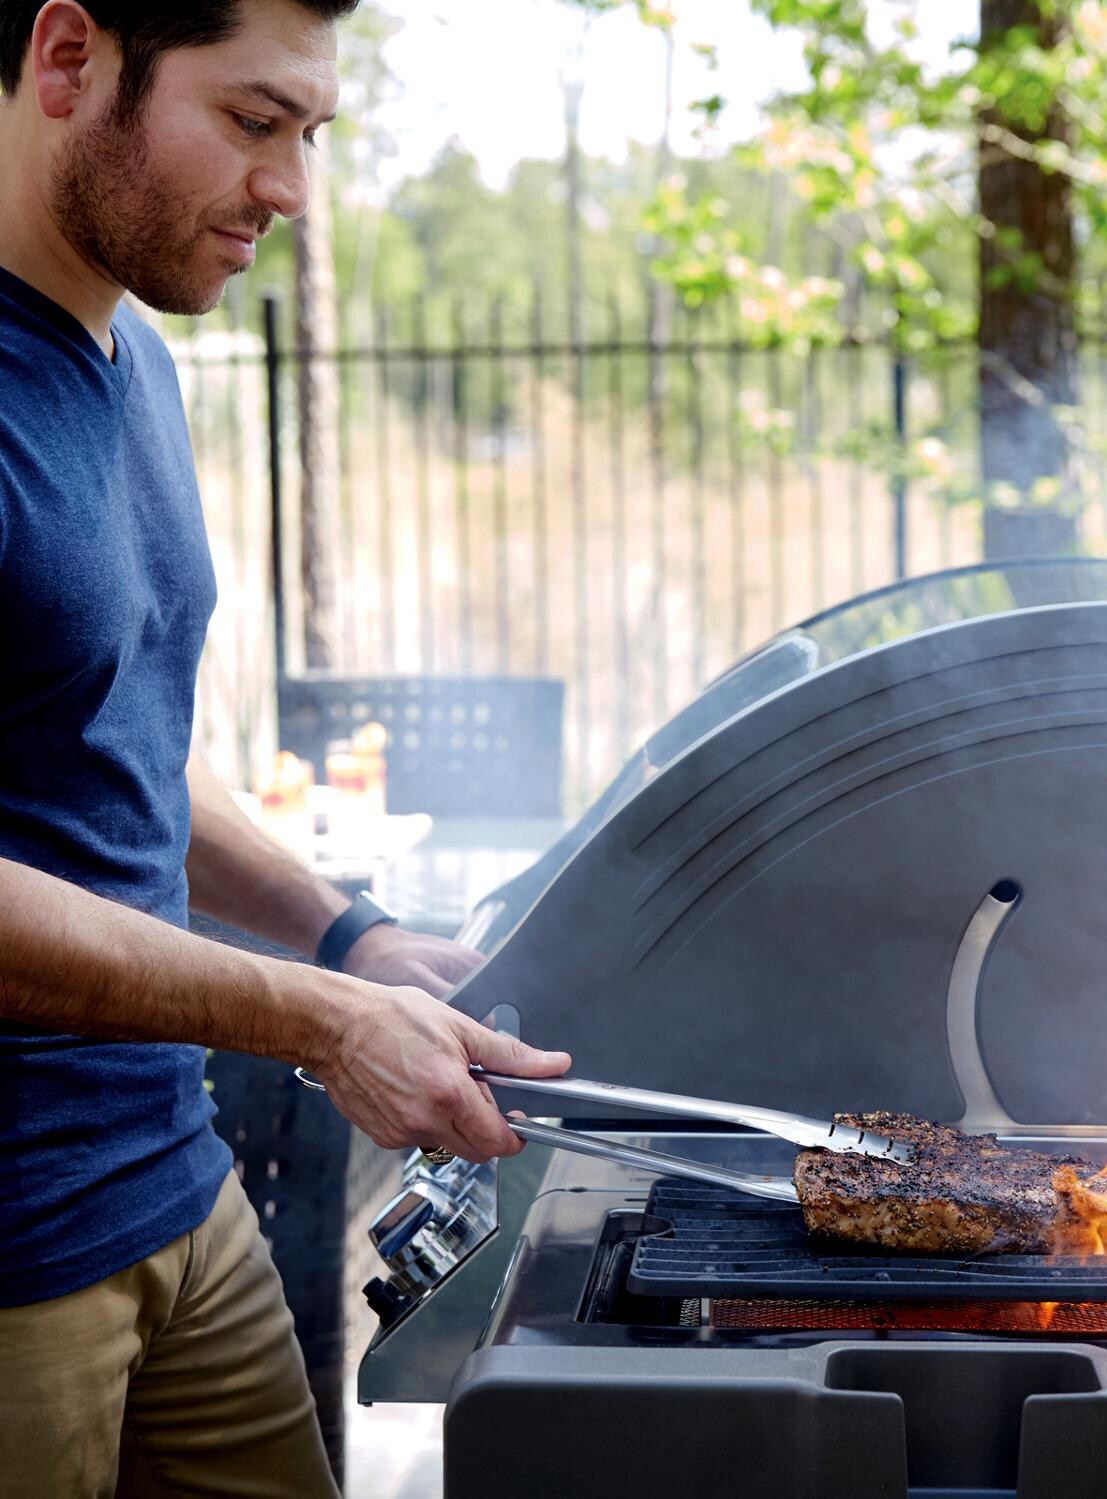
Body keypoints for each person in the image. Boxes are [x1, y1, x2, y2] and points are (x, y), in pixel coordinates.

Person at [0, 3, 571, 1494]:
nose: (291, 191)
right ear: (69, 64)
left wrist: (353, 937)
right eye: (253, 123)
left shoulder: (129, 362)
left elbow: (119, 741)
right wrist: (318, 1021)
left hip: (174, 1189)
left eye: (310, 135)